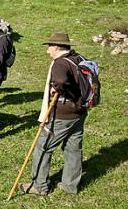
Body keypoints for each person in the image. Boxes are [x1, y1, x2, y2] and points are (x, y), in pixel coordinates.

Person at [21, 33, 88, 195]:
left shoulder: (59, 64)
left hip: (61, 115)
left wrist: (56, 88)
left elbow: (60, 81)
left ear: (57, 47)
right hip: (79, 111)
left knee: (43, 147)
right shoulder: (78, 58)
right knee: (73, 148)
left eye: (49, 46)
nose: (48, 51)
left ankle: (40, 186)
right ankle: (70, 185)